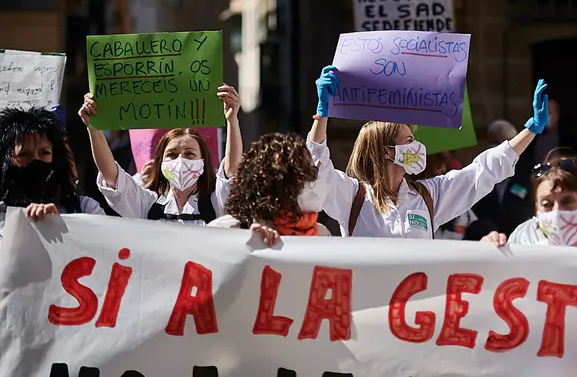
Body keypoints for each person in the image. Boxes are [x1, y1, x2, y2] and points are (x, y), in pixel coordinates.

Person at [306, 65, 547, 239]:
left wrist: (530, 129)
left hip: (416, 307)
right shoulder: (353, 197)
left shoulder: (429, 196)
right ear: (387, 151)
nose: (418, 148)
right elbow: (318, 169)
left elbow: (483, 171)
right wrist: (322, 115)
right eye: (409, 140)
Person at [77, 85, 243, 225]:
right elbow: (111, 176)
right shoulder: (148, 206)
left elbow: (232, 171)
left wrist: (232, 120)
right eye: (172, 154)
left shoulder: (215, 204)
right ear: (161, 162)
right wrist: (93, 127)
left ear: (203, 162)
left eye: (190, 154)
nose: (181, 160)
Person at [480, 152, 577, 256]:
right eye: (547, 203)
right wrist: (488, 258)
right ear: (536, 209)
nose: (557, 211)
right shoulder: (521, 255)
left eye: (567, 201)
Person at [0, 107, 105, 242]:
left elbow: (107, 250)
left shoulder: (85, 209)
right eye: (24, 154)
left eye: (45, 152)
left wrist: (62, 227)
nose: (36, 161)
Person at [209, 133, 331, 242]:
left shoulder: (322, 235)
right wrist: (245, 245)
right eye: (307, 174)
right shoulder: (228, 231)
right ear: (278, 182)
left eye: (313, 172)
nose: (314, 179)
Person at [472, 120, 534, 234]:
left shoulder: (527, 172)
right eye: (492, 142)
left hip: (519, 237)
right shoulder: (480, 171)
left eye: (500, 143)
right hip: (490, 240)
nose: (496, 148)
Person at [419, 153, 480, 240]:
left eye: (443, 174)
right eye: (433, 176)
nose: (439, 182)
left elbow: (475, 226)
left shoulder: (459, 203)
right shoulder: (416, 207)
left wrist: (488, 234)